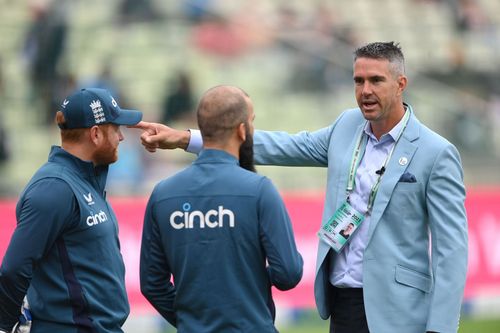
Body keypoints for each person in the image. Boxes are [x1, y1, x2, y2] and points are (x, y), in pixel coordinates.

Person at [132, 42, 468, 333]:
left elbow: (451, 250)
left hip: (400, 309)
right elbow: (286, 146)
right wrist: (186, 138)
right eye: (359, 80)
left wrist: (440, 327)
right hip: (344, 302)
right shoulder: (347, 125)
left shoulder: (435, 152)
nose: (365, 90)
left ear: (401, 84)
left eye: (376, 80)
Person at [137, 85, 303, 332]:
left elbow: (152, 284)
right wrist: (249, 281)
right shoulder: (260, 190)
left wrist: (190, 318)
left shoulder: (163, 194)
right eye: (252, 122)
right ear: (242, 130)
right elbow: (288, 273)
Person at [0, 88, 142, 333]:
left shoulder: (83, 181)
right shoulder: (54, 188)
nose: (121, 137)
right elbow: (14, 268)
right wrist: (4, 327)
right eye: (116, 128)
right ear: (95, 134)